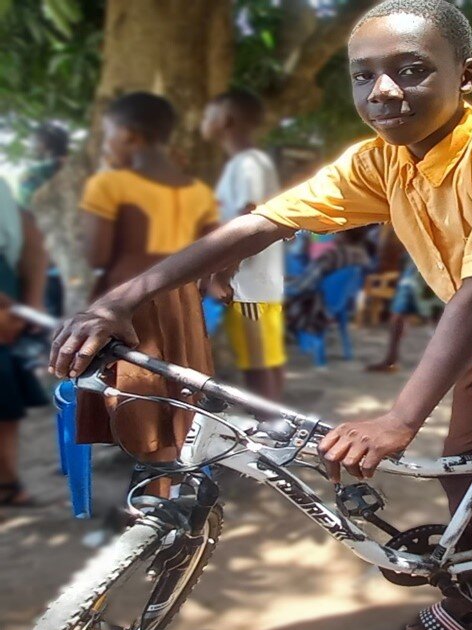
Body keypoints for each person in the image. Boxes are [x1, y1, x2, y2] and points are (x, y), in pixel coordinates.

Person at [49, 3, 472, 630]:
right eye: (364, 76)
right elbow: (266, 219)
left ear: (465, 75)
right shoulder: (383, 159)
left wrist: (397, 419)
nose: (383, 90)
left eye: (411, 70)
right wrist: (122, 299)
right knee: (459, 468)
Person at [76, 92, 218, 498]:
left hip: (129, 299)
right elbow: (208, 251)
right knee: (177, 397)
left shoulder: (110, 184)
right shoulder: (196, 190)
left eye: (108, 136)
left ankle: (156, 510)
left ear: (130, 136)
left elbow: (96, 253)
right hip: (182, 301)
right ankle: (171, 495)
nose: (106, 146)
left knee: (140, 398)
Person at [200, 89, 285, 400]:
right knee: (261, 360)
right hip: (251, 282)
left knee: (258, 364)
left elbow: (246, 218)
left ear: (226, 119)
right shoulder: (244, 163)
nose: (203, 122)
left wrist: (221, 274)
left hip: (249, 284)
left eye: (208, 114)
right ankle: (273, 427)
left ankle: (272, 431)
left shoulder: (248, 164)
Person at [0, 179, 48, 510]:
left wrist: (28, 302)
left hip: (8, 296)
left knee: (6, 403)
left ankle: (7, 483)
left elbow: (30, 237)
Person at [18, 123, 70, 317]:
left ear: (42, 144)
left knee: (57, 330)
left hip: (50, 262)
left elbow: (28, 219)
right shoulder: (88, 172)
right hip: (91, 262)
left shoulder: (33, 175)